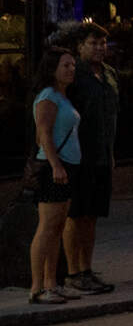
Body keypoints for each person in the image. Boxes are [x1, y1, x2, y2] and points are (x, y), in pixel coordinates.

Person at [57, 21, 118, 295]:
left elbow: (111, 118)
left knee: (91, 215)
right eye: (93, 43)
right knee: (76, 214)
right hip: (78, 156)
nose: (99, 48)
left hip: (101, 155)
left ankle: (87, 268)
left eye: (102, 43)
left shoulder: (108, 75)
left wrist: (111, 152)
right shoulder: (75, 76)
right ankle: (73, 272)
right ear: (80, 47)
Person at [25, 48, 82, 305]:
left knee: (58, 227)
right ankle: (37, 288)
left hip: (67, 166)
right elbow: (44, 134)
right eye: (65, 66)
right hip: (53, 168)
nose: (71, 70)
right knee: (47, 227)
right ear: (52, 69)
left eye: (72, 65)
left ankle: (52, 283)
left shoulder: (63, 96)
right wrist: (56, 165)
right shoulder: (48, 97)